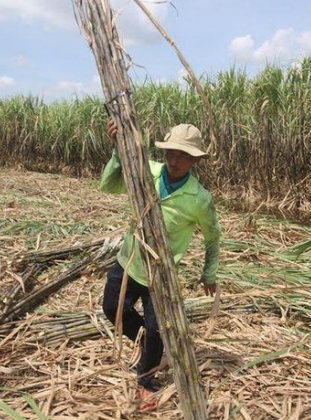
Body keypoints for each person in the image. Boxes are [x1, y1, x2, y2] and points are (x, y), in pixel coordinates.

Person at [100, 119, 221, 412]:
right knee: (111, 309)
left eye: (184, 155)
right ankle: (146, 346)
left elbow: (213, 237)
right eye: (171, 153)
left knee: (157, 330)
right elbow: (108, 186)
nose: (175, 161)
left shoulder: (199, 199)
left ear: (195, 160)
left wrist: (209, 273)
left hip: (161, 275)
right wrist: (118, 151)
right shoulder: (147, 171)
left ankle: (145, 380)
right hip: (130, 259)